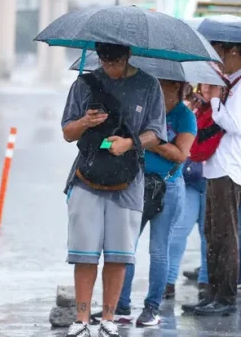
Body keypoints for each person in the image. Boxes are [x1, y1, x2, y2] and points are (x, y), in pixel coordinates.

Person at [61, 43, 166, 337]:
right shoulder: (84, 84)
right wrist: (85, 121)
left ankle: (109, 318)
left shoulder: (148, 85)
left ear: (128, 56)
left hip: (128, 180)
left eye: (116, 60)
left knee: (119, 255)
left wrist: (129, 143)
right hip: (87, 176)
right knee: (84, 254)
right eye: (105, 60)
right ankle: (81, 320)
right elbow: (67, 132)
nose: (111, 66)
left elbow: (157, 132)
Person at [99, 79, 196, 328]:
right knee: (126, 247)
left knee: (158, 250)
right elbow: (117, 141)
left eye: (161, 84)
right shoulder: (143, 109)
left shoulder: (184, 117)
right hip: (137, 184)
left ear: (177, 86)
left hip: (168, 187)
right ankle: (121, 306)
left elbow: (181, 155)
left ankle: (152, 308)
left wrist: (154, 142)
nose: (155, 88)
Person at [183, 42, 241, 317]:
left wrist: (216, 98)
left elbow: (234, 124)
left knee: (225, 234)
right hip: (217, 166)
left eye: (217, 52)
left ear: (232, 51)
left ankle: (225, 297)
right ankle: (212, 294)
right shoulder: (234, 82)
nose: (215, 59)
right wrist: (209, 101)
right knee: (213, 232)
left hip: (230, 167)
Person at [166, 84, 216, 300]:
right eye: (204, 85)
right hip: (191, 177)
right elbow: (174, 137)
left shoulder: (222, 112)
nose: (205, 90)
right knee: (179, 230)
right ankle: (168, 281)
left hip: (214, 177)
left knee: (209, 233)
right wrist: (187, 107)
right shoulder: (191, 110)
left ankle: (206, 281)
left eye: (212, 87)